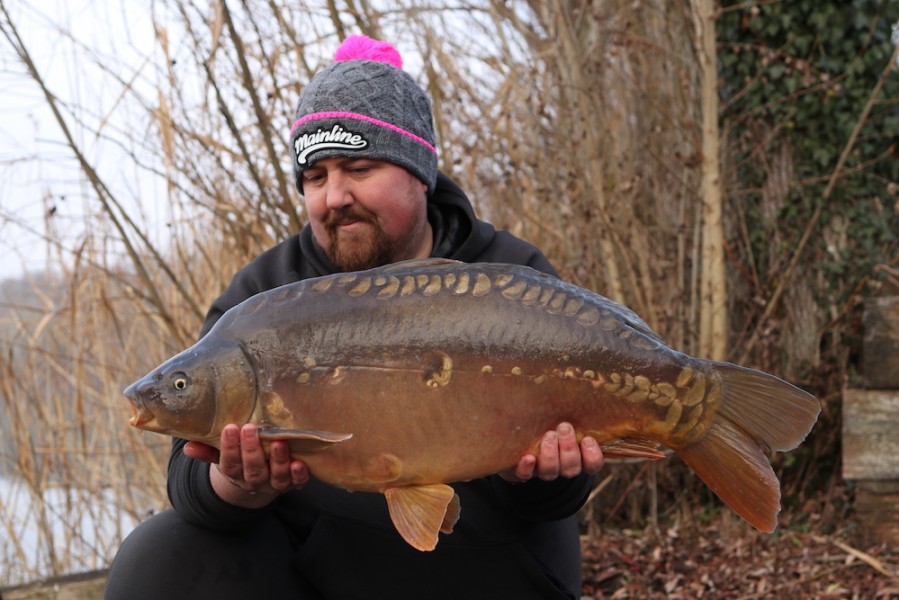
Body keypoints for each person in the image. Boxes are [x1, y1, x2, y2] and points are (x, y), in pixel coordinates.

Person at [105, 34, 604, 600]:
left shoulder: (510, 279)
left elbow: (560, 499)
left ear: (420, 173)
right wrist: (238, 482)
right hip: (327, 569)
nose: (333, 196)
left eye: (358, 168)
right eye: (315, 178)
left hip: (489, 560)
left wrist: (535, 472)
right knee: (159, 555)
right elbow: (190, 485)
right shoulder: (263, 296)